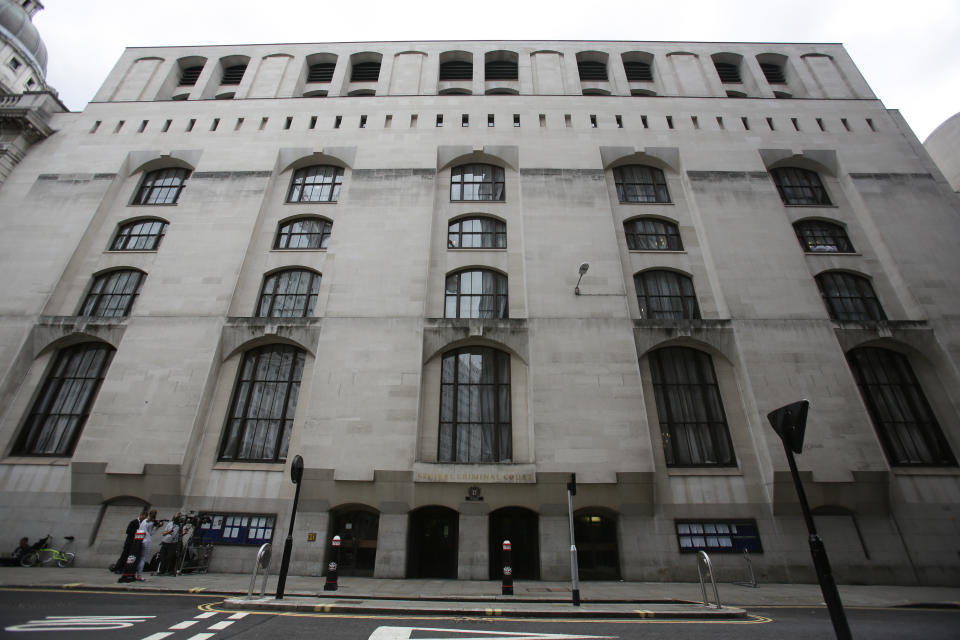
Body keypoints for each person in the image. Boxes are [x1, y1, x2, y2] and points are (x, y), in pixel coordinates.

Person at [136, 509, 160, 581]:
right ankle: (139, 575)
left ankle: (133, 573)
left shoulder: (144, 521)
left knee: (138, 557)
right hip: (147, 540)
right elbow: (151, 533)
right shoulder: (151, 523)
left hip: (139, 539)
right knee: (143, 558)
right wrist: (157, 527)